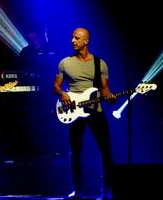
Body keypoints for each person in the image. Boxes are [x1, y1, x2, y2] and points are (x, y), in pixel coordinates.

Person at [53, 27, 115, 200]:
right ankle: (77, 190)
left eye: (77, 38)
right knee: (75, 151)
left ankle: (107, 191)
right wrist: (63, 94)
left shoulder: (99, 64)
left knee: (106, 151)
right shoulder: (65, 63)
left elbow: (105, 90)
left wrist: (110, 97)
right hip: (74, 111)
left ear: (86, 41)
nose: (73, 41)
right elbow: (56, 87)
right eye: (72, 37)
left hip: (96, 111)